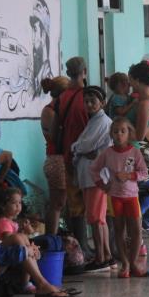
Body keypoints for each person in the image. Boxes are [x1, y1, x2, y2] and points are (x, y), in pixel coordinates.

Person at [91, 118, 148, 278]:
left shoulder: (135, 152)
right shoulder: (107, 153)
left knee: (136, 230)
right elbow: (94, 168)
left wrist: (130, 175)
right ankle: (125, 263)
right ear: (111, 134)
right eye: (115, 131)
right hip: (115, 197)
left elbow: (144, 172)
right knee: (118, 230)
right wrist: (102, 184)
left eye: (123, 131)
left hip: (132, 197)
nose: (119, 134)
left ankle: (133, 261)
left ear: (129, 133)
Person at [0, 188, 68, 297]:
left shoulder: (13, 222)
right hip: (5, 253)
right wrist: (27, 246)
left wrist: (29, 242)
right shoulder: (2, 222)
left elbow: (25, 236)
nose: (18, 206)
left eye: (19, 202)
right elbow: (10, 240)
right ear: (3, 206)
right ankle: (40, 284)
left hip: (12, 251)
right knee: (23, 242)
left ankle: (31, 283)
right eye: (14, 203)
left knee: (27, 243)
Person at [71, 85, 115, 271]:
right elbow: (83, 146)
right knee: (99, 218)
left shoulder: (102, 122)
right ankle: (106, 256)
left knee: (96, 219)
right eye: (86, 101)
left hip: (95, 177)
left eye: (93, 101)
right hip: (91, 176)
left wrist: (76, 148)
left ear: (102, 103)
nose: (89, 104)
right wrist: (79, 148)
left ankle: (101, 258)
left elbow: (85, 145)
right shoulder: (94, 121)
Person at [53, 57, 90, 251]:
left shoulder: (61, 98)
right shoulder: (90, 96)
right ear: (85, 72)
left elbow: (54, 131)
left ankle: (80, 248)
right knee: (95, 201)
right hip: (90, 156)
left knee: (75, 203)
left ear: (68, 73)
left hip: (69, 155)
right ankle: (101, 250)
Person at [40, 76, 69, 235]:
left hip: (63, 159)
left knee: (67, 203)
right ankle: (51, 239)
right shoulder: (50, 111)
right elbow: (57, 139)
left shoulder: (60, 110)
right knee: (57, 203)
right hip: (57, 159)